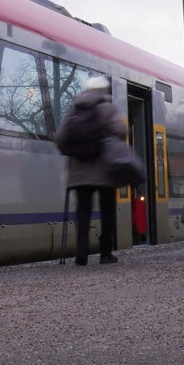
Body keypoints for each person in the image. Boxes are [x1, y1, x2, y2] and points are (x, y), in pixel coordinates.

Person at [55, 75, 127, 265]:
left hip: (79, 173)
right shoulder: (108, 108)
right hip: (105, 171)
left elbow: (60, 138)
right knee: (107, 211)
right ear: (103, 91)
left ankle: (82, 253)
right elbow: (120, 130)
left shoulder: (74, 110)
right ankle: (105, 253)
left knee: (83, 211)